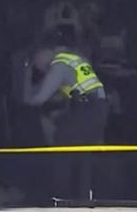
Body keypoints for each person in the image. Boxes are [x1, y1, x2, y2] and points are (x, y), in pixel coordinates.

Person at [23, 45, 109, 201]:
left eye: (38, 63)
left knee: (61, 143)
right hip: (99, 107)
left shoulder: (58, 66)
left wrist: (27, 85)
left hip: (87, 109)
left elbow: (40, 98)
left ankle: (61, 194)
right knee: (84, 151)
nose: (40, 69)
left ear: (43, 53)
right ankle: (83, 196)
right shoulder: (74, 60)